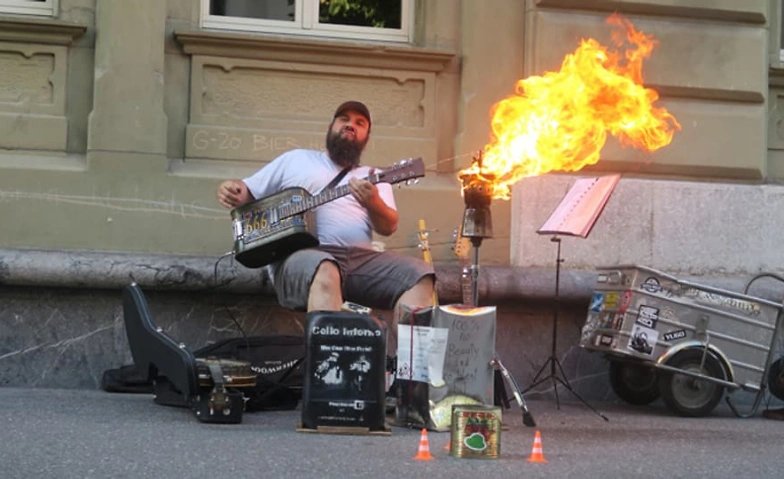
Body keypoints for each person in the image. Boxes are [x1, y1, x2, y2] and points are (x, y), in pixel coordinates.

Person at [216, 100, 435, 357]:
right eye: (344, 119)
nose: (351, 125)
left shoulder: (374, 176)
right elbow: (247, 192)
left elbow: (388, 226)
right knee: (325, 267)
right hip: (301, 259)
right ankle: (327, 371)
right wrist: (231, 189)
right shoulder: (296, 160)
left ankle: (412, 373)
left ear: (366, 138)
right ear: (331, 126)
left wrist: (373, 201)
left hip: (360, 260)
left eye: (360, 123)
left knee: (419, 275)